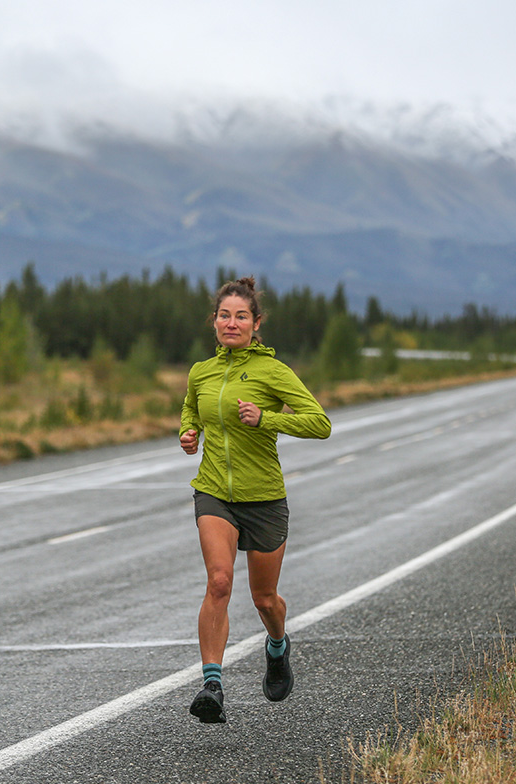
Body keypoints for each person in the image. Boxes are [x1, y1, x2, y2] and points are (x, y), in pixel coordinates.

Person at [179, 276, 332, 724]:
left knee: (264, 598)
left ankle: (278, 646)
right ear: (214, 321)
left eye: (240, 316)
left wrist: (266, 418)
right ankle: (212, 685)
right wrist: (188, 433)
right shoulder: (201, 372)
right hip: (214, 493)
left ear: (255, 323)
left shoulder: (273, 372)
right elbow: (191, 408)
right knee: (220, 582)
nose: (231, 322)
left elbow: (319, 423)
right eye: (224, 315)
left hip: (264, 497)